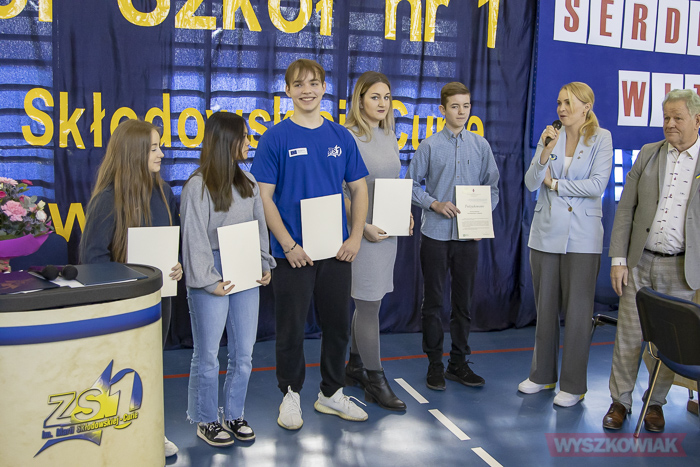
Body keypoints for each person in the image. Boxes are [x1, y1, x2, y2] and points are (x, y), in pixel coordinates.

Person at [251, 58, 369, 430]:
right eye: (299, 84)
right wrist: (287, 245)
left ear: (323, 88)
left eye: (314, 83)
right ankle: (290, 394)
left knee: (337, 326)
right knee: (291, 329)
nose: (307, 91)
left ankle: (331, 393)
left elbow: (359, 188)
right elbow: (263, 197)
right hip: (293, 255)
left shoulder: (340, 136)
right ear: (287, 90)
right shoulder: (275, 138)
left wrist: (355, 236)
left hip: (335, 251)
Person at [80, 118, 182, 457]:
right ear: (133, 153)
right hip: (120, 308)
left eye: (159, 147)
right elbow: (92, 261)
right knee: (116, 372)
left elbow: (171, 243)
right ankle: (111, 438)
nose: (161, 154)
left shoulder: (165, 193)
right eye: (153, 148)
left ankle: (151, 432)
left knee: (150, 368)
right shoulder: (107, 199)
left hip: (159, 301)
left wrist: (177, 265)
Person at [603, 89, 700, 432]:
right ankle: (619, 401)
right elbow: (625, 209)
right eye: (666, 117)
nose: (670, 124)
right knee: (629, 335)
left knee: (670, 341)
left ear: (697, 120)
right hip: (639, 262)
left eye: (677, 118)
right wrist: (618, 259)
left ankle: (655, 403)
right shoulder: (648, 154)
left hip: (683, 269)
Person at [180, 112, 274, 447]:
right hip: (211, 270)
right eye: (244, 137)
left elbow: (259, 227)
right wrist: (209, 281)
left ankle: (234, 414)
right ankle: (205, 420)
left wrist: (263, 264)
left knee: (243, 353)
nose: (249, 142)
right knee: (207, 355)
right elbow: (194, 239)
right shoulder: (197, 186)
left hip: (245, 266)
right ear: (226, 141)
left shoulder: (248, 182)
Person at [520, 82, 613, 407]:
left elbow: (597, 185)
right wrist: (545, 152)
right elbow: (532, 182)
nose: (561, 108)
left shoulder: (601, 138)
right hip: (545, 233)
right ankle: (541, 376)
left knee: (577, 314)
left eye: (568, 103)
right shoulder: (551, 135)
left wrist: (557, 184)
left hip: (583, 237)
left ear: (586, 106)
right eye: (559, 102)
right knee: (545, 309)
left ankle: (573, 386)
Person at [407, 82, 499, 391]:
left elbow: (492, 188)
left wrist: (480, 219)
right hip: (434, 235)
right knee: (433, 303)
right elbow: (410, 184)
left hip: (467, 239)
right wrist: (433, 203)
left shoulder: (481, 146)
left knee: (463, 304)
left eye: (466, 106)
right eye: (455, 106)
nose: (461, 111)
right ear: (442, 110)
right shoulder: (430, 146)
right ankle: (434, 364)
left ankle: (458, 363)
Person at [343, 71, 413, 411]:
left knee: (371, 303)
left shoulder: (389, 135)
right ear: (360, 101)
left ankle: (355, 365)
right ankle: (375, 379)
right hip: (362, 234)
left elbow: (391, 183)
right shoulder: (347, 137)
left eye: (387, 97)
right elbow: (340, 192)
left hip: (387, 235)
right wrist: (363, 226)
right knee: (368, 304)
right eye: (375, 97)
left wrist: (404, 212)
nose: (383, 103)